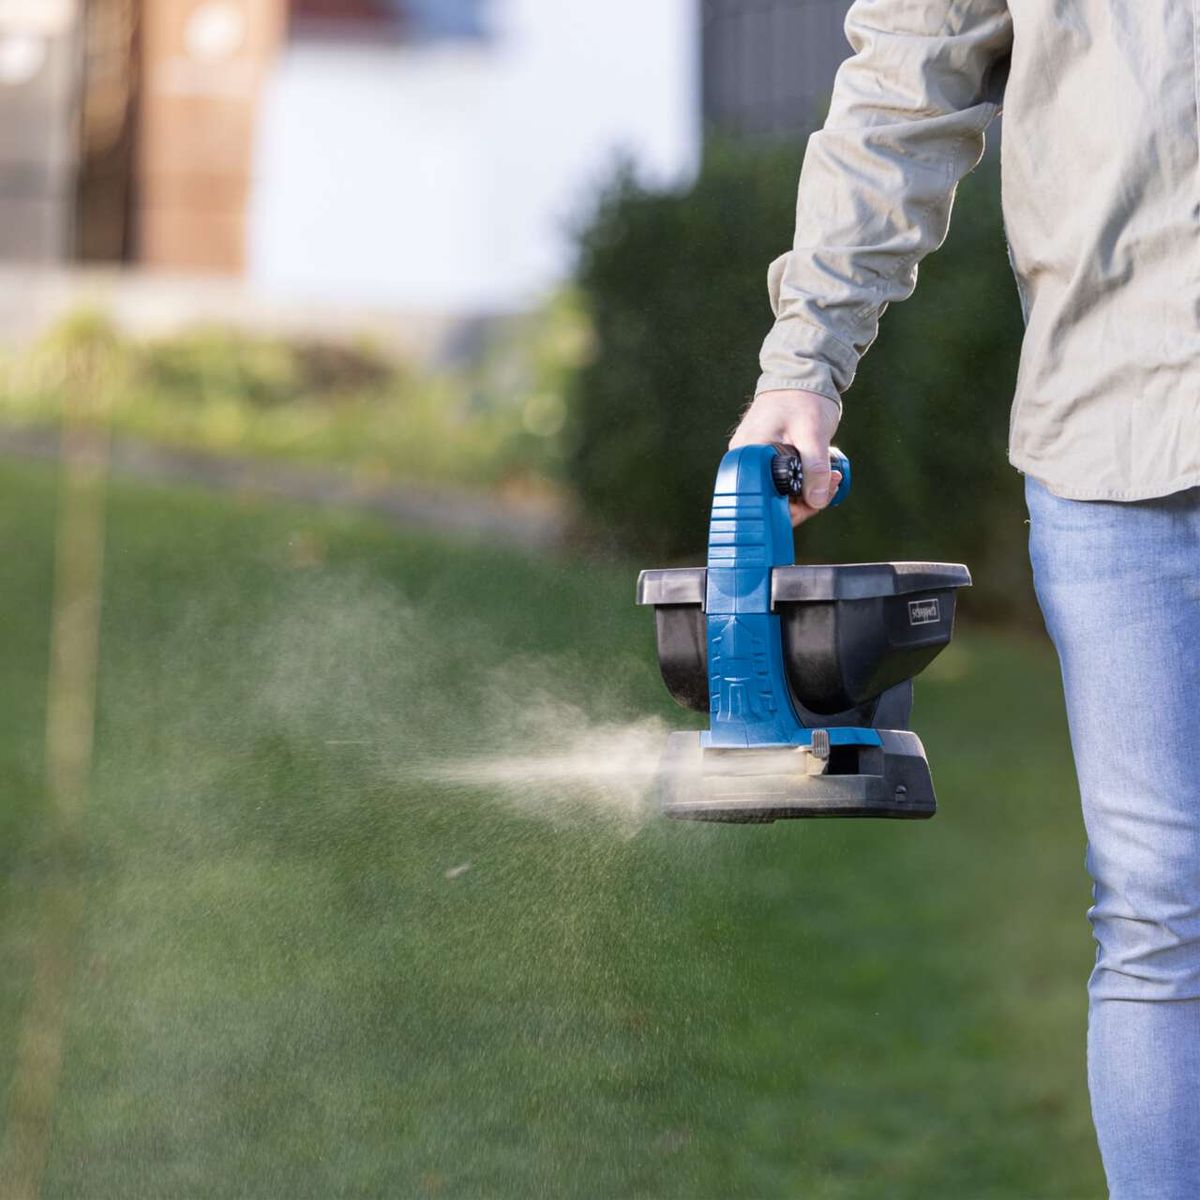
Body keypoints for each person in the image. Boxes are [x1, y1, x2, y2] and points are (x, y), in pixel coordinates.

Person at [729, 2, 1200, 1196]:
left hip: (1119, 423)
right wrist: (806, 360)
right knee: (1162, 928)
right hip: (1126, 423)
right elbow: (906, 72)